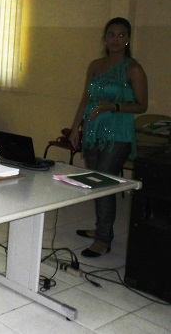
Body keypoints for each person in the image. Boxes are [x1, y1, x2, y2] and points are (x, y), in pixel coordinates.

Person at [69, 17, 147, 257]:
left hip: (119, 134)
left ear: (128, 39)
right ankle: (102, 229)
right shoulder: (95, 65)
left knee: (104, 181)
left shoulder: (133, 68)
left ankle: (103, 240)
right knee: (95, 181)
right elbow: (86, 98)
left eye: (122, 35)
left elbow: (142, 105)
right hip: (93, 131)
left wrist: (114, 106)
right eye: (111, 34)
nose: (116, 39)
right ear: (104, 38)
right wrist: (75, 128)